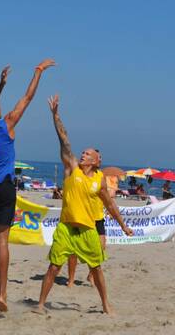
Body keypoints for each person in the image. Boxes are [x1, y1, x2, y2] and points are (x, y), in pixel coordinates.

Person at [35, 94, 133, 315]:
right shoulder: (72, 168)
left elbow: (110, 204)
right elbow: (64, 139)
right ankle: (40, 304)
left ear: (96, 161)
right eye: (83, 152)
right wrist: (55, 115)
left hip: (89, 229)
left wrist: (124, 225)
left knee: (96, 268)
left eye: (87, 154)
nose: (83, 154)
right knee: (53, 267)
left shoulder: (99, 180)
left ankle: (106, 304)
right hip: (67, 228)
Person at [0, 59, 55, 313]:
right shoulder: (7, 124)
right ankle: (3, 294)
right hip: (4, 188)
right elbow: (28, 97)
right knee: (3, 242)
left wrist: (0, 85)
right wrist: (38, 72)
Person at [67, 151, 108, 288]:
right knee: (73, 250)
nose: (100, 159)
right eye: (99, 157)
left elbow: (106, 197)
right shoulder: (80, 173)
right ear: (94, 160)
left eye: (101, 157)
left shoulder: (101, 176)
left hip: (99, 217)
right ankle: (71, 278)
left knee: (100, 249)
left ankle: (91, 275)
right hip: (85, 217)